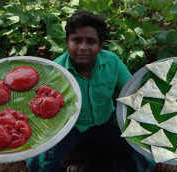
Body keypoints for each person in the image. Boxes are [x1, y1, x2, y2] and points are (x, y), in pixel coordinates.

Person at [26, 10, 155, 172]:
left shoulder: (112, 63)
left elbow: (134, 94)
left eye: (91, 41)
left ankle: (80, 170)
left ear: (100, 46)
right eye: (76, 40)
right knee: (37, 166)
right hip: (69, 127)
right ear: (67, 43)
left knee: (146, 161)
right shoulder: (56, 72)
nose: (83, 47)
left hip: (106, 121)